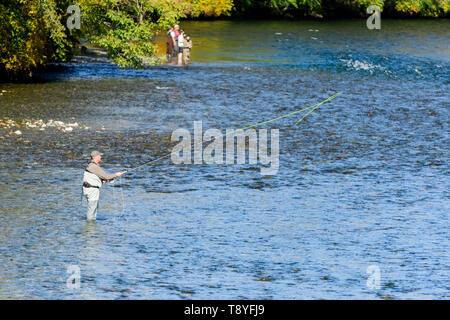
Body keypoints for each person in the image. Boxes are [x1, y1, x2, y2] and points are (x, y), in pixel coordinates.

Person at [82, 150, 127, 221]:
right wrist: (116, 175)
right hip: (92, 191)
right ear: (94, 157)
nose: (101, 157)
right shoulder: (94, 166)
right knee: (92, 209)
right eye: (99, 156)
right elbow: (106, 176)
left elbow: (97, 179)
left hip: (90, 189)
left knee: (93, 209)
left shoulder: (92, 166)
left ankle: (92, 228)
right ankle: (90, 229)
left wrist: (104, 181)